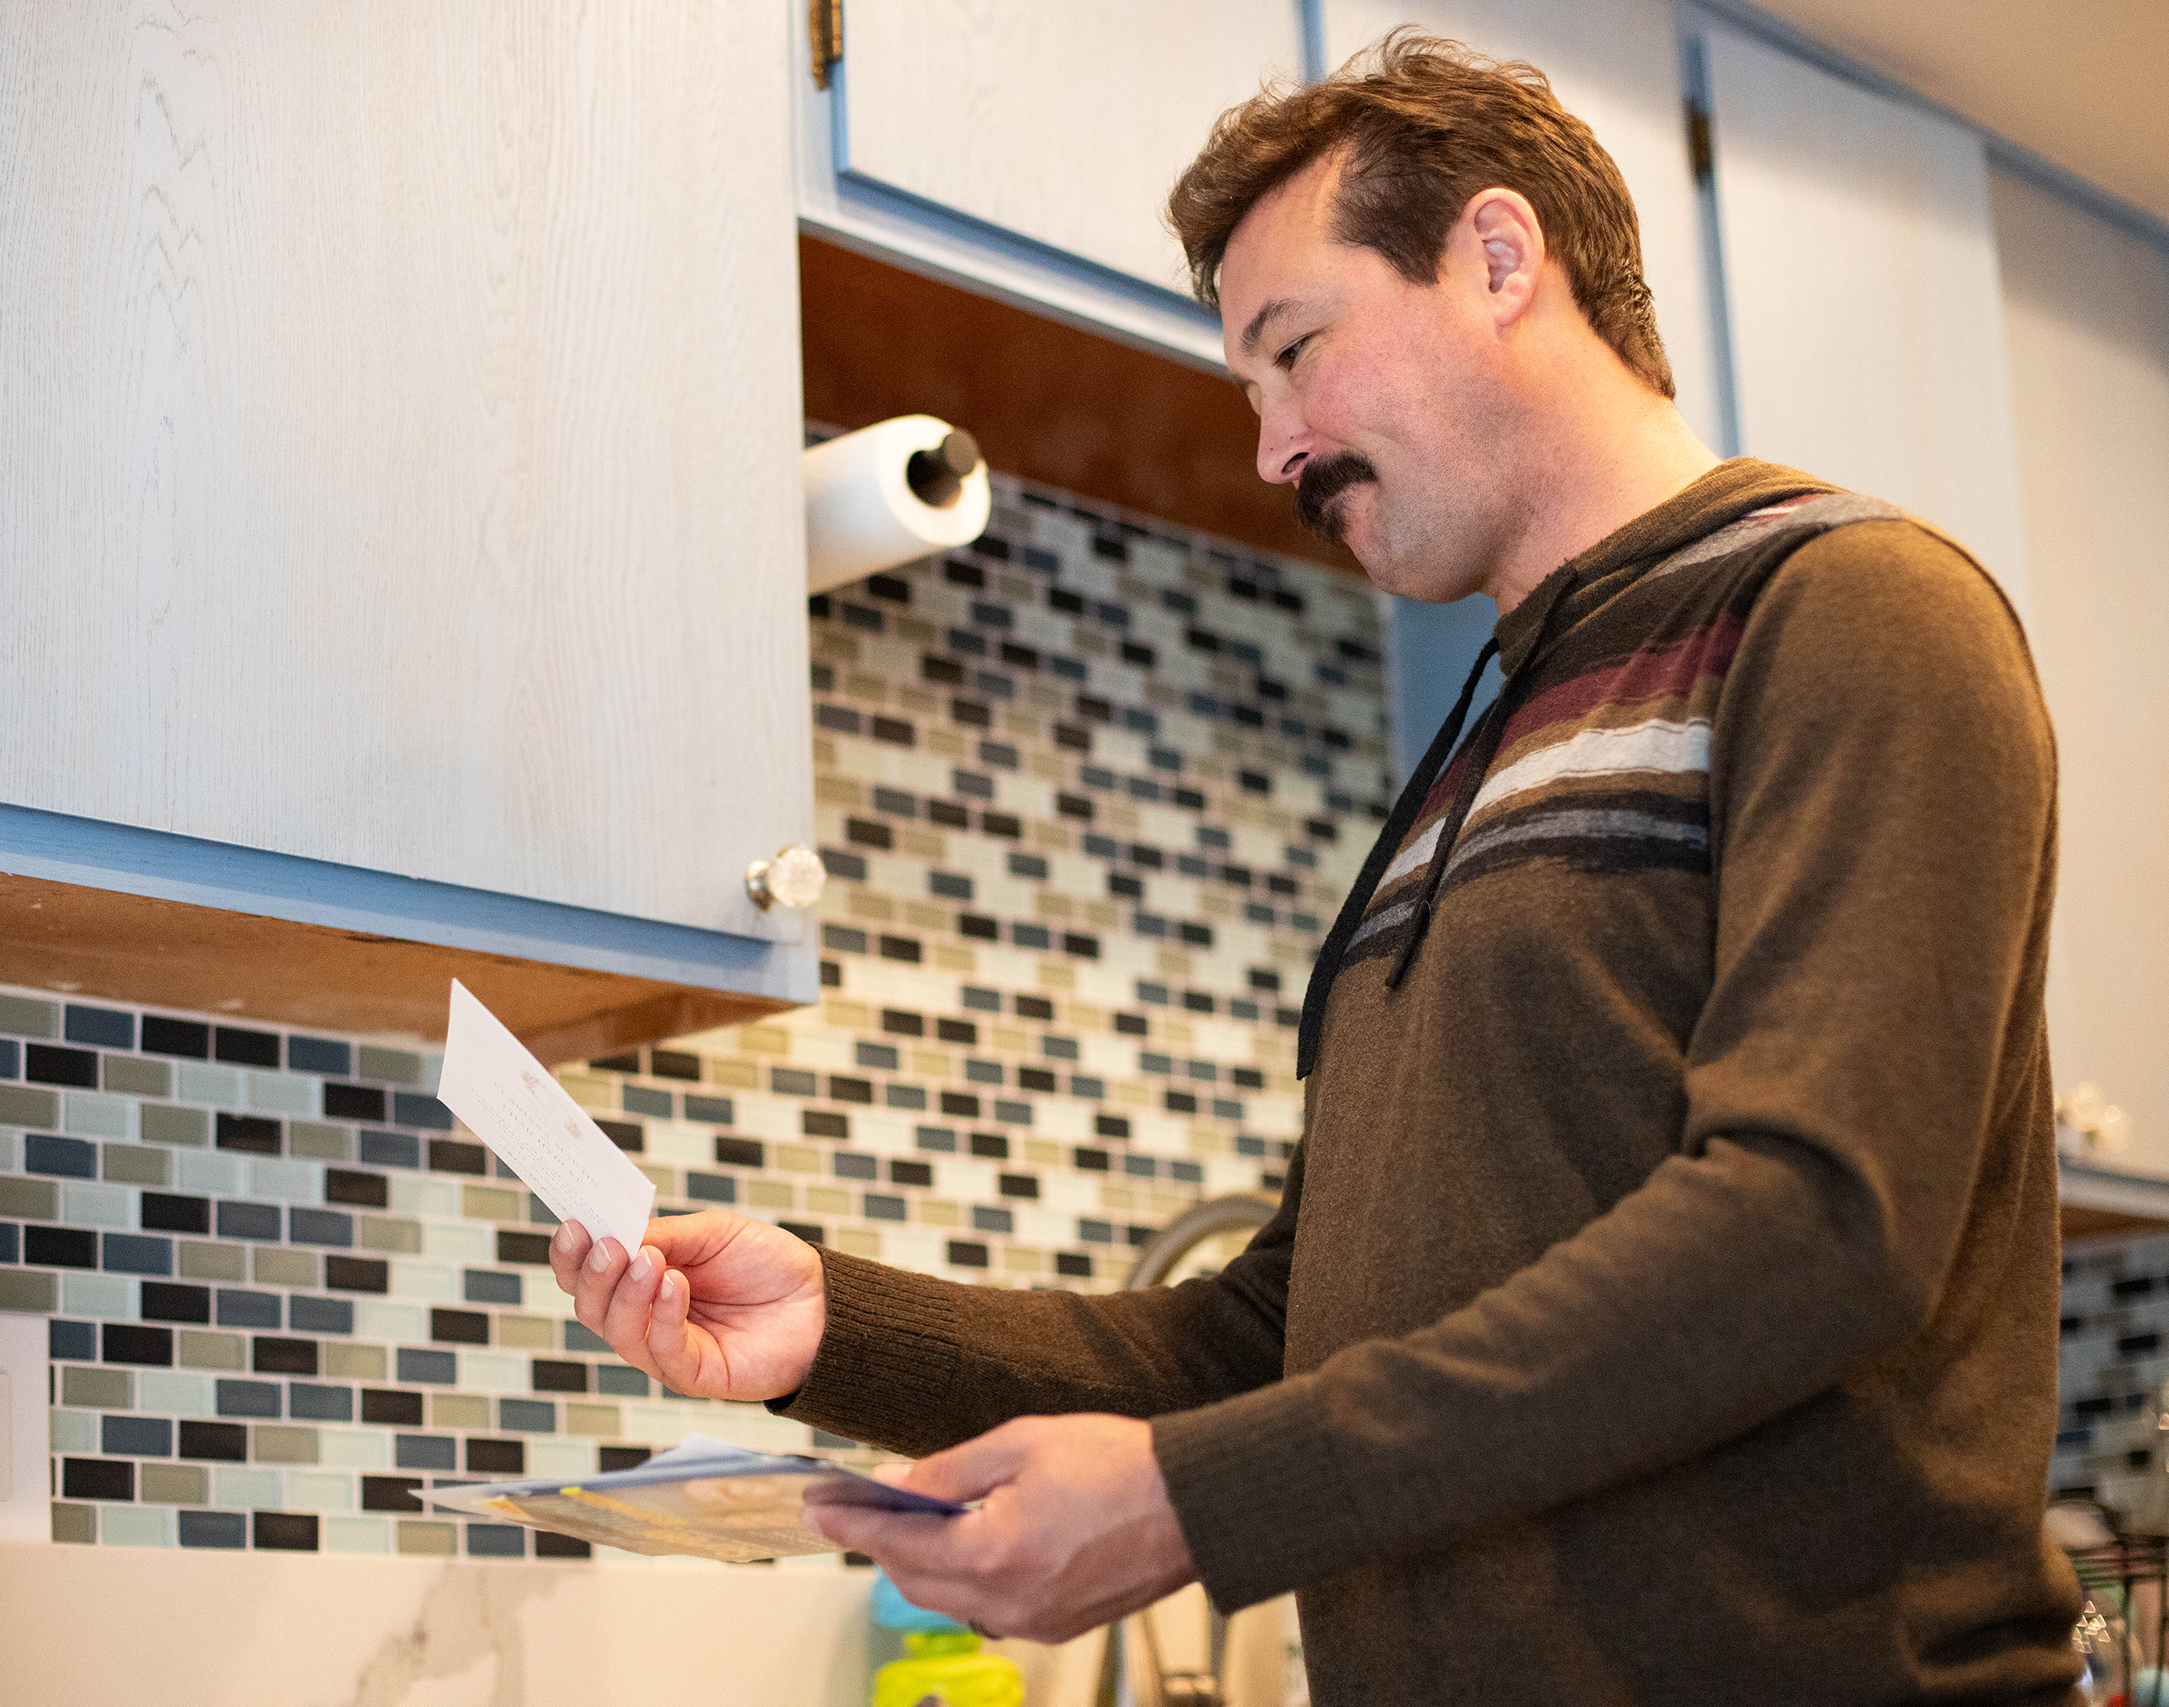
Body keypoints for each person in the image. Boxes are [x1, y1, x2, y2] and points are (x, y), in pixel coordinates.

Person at [553, 32, 2081, 1706]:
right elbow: (1276, 1333)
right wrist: (837, 1329)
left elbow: (1813, 1226)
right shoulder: (1474, 764)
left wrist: (1199, 1503)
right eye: (1250, 389)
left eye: (1296, 349)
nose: (1273, 449)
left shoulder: (1851, 611)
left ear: (1500, 260)